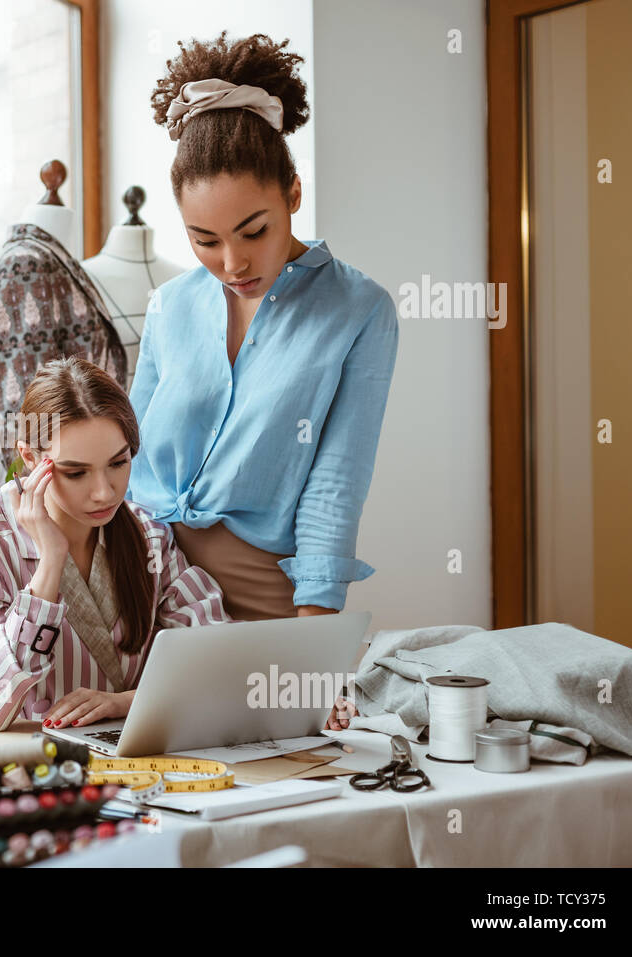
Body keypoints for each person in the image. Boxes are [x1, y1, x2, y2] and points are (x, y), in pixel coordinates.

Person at [129, 31, 398, 690]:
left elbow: (334, 484)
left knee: (279, 771)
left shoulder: (359, 309)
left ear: (293, 195)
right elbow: (127, 454)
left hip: (260, 591)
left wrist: (314, 650)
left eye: (254, 231)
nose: (233, 263)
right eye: (205, 240)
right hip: (134, 579)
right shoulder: (169, 305)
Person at [0, 357, 231, 732]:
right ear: (30, 458)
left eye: (118, 463)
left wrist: (125, 702)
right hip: (31, 762)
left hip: (135, 752)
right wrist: (49, 567)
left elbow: (220, 655)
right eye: (76, 472)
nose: (104, 492)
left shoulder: (147, 532)